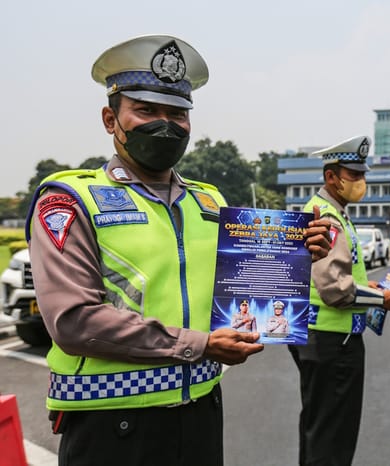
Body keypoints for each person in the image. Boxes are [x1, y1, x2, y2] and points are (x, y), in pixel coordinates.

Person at [25, 34, 331, 466]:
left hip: (202, 413)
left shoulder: (209, 204)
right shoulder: (72, 200)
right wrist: (199, 344)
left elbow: (238, 291)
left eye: (177, 113)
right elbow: (73, 323)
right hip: (114, 426)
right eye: (146, 110)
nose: (165, 124)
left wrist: (294, 259)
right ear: (111, 120)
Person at [288, 135, 390, 465]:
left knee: (319, 427)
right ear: (331, 177)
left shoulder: (328, 212)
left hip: (322, 338)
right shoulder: (327, 218)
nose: (361, 182)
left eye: (363, 174)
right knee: (333, 437)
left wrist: (371, 287)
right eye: (354, 175)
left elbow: (340, 274)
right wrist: (380, 299)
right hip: (333, 342)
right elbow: (336, 290)